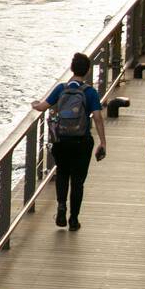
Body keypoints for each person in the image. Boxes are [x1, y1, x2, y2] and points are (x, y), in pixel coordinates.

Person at [31, 52, 107, 232]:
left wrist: (34, 104)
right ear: (87, 71)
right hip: (81, 141)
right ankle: (74, 218)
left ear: (72, 68)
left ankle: (61, 206)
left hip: (61, 140)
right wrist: (103, 142)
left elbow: (43, 106)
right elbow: (97, 117)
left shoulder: (61, 88)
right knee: (78, 181)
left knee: (63, 174)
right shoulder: (90, 92)